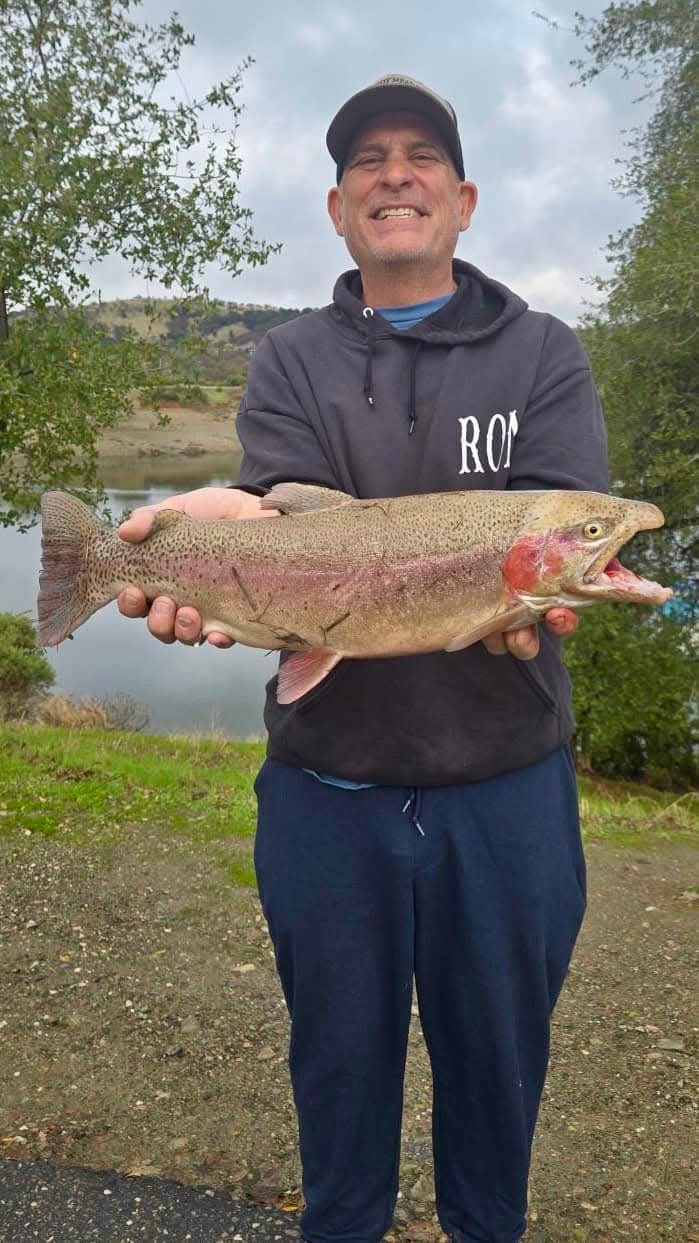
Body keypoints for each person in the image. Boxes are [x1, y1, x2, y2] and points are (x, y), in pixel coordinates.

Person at [118, 75, 607, 1243]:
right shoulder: (289, 358)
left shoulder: (544, 352)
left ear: (466, 197)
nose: (397, 174)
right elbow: (263, 506)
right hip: (325, 791)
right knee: (338, 1096)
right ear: (338, 208)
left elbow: (565, 543)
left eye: (422, 155)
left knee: (497, 1097)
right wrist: (197, 543)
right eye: (370, 161)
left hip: (509, 791)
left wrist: (527, 586)